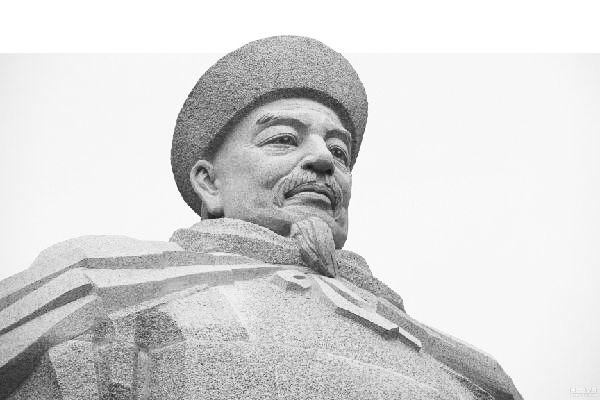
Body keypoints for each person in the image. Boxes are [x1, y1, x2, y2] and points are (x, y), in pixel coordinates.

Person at [0, 36, 522, 400]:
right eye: (283, 140)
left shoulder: (466, 370)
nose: (323, 160)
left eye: (339, 151)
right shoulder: (102, 283)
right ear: (209, 183)